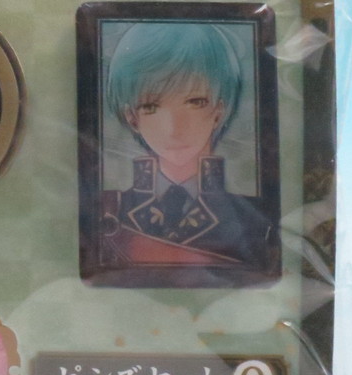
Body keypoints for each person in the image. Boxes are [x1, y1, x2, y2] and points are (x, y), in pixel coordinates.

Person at [99, 22, 276, 270]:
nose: (174, 128)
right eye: (151, 106)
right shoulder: (109, 211)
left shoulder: (255, 219)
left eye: (195, 102)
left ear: (219, 110)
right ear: (132, 118)